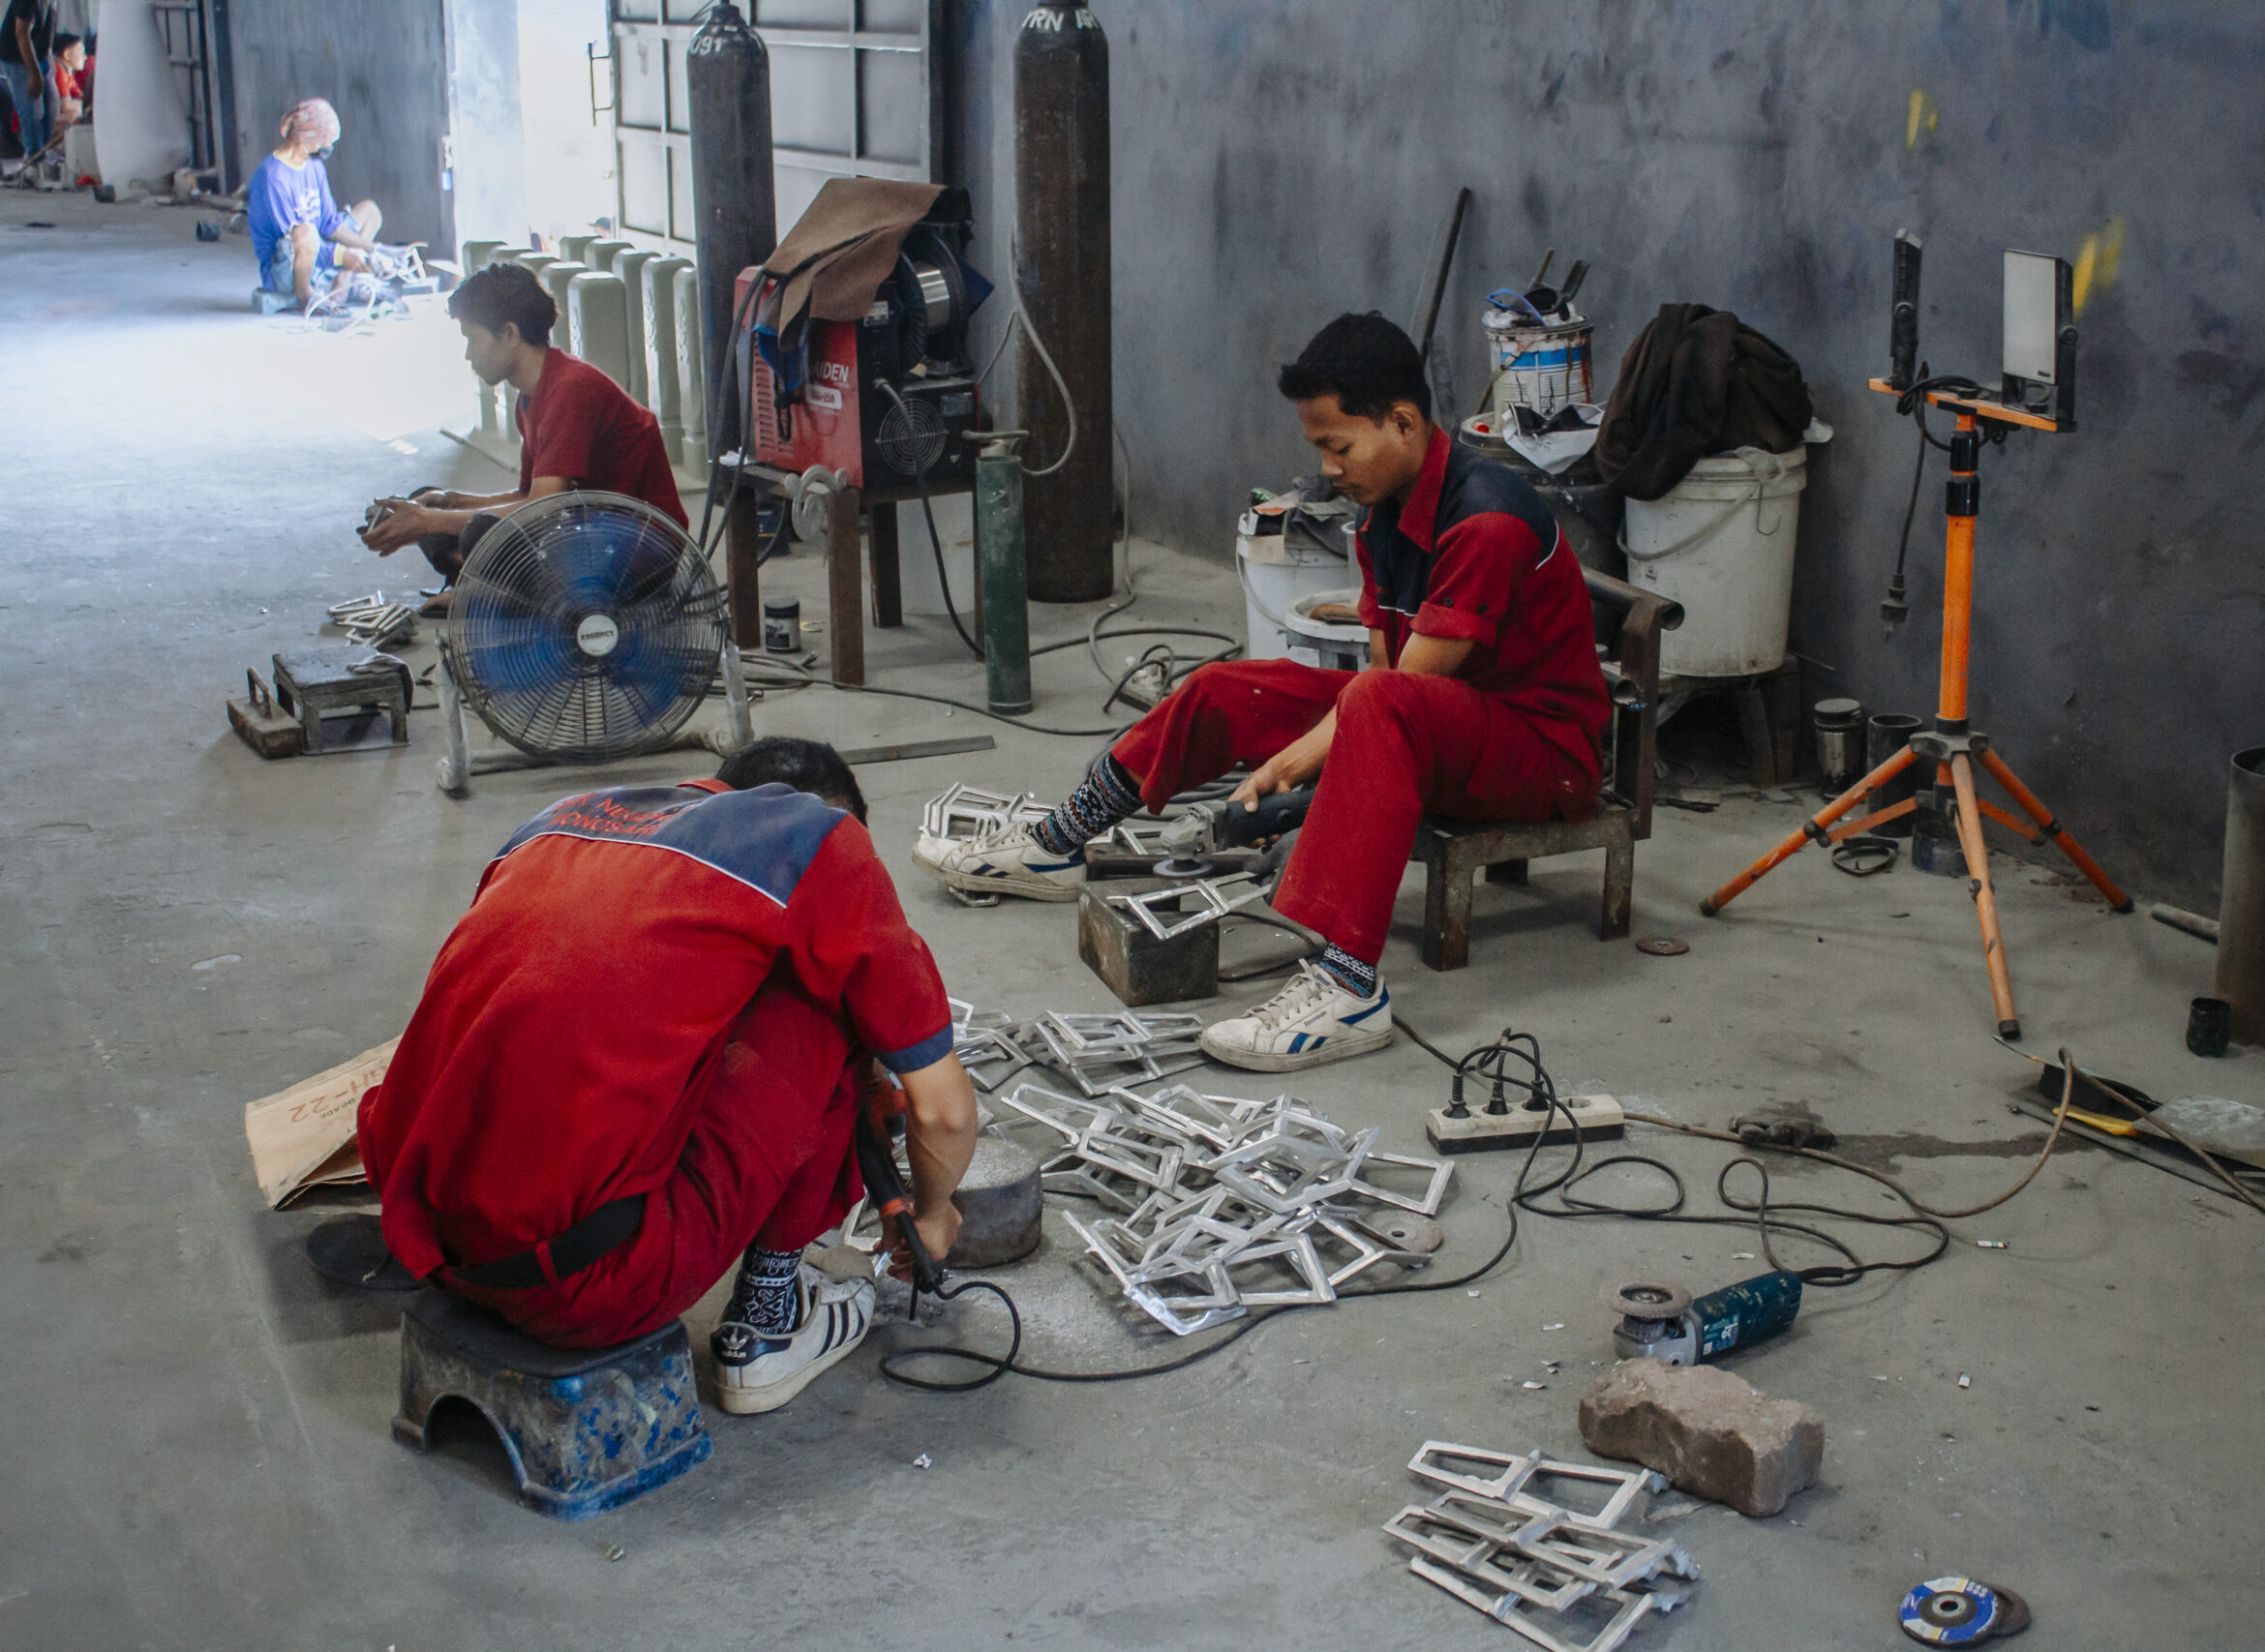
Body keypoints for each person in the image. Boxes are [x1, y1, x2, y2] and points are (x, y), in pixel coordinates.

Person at [915, 313, 1611, 1072]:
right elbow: (1383, 669)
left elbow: (1403, 688)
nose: (1327, 466)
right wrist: (1317, 758)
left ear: (1403, 423)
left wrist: (1294, 765)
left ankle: (1350, 990)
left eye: (1336, 445)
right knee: (1227, 687)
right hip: (1442, 727)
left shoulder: (1486, 522)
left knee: (1374, 707)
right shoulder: (1384, 508)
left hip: (1545, 757)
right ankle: (1058, 842)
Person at [357, 737, 978, 1415]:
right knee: (831, 1000)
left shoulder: (559, 821)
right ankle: (770, 1320)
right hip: (584, 1289)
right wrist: (931, 1210)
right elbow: (943, 1112)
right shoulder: (819, 841)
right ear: (842, 821)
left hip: (427, 1235)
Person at [358, 261, 685, 613]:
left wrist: (430, 522)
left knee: (478, 531)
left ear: (510, 335)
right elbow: (528, 495)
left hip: (636, 554)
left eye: (472, 339)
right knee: (427, 501)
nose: (468, 355)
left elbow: (543, 508)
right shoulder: (530, 397)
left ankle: (488, 586)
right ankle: (480, 579)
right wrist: (447, 502)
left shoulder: (570, 390)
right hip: (588, 538)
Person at [246, 98, 384, 307]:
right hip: (287, 268)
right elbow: (293, 241)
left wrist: (373, 248)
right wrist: (340, 255)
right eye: (324, 141)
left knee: (370, 211)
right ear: (306, 138)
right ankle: (305, 296)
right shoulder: (273, 178)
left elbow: (329, 224)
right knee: (307, 232)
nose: (327, 147)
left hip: (317, 248)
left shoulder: (314, 167)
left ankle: (345, 278)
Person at [0, 0, 54, 163]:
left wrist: (48, 60)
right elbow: (21, 33)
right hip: (17, 58)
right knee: (32, 112)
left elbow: (47, 28)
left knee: (50, 110)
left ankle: (41, 157)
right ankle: (33, 162)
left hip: (40, 55)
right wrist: (35, 73)